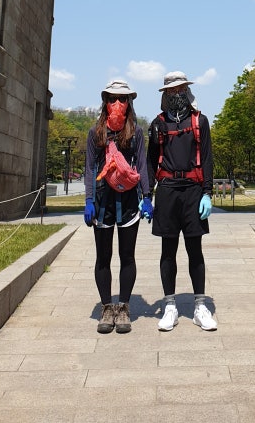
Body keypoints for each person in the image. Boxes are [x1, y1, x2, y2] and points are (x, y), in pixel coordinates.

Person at [147, 70, 217, 331]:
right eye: (171, 91)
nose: (177, 94)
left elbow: (208, 158)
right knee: (168, 250)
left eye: (180, 89)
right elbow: (150, 160)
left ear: (187, 91)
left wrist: (208, 193)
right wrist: (146, 195)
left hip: (193, 190)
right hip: (166, 190)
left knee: (194, 249)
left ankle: (200, 306)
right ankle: (170, 306)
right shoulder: (158, 124)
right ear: (165, 94)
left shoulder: (201, 121)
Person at [84, 79, 153, 334]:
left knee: (127, 255)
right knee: (103, 257)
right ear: (105, 101)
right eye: (112, 98)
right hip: (103, 202)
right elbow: (90, 167)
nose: (117, 103)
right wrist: (88, 201)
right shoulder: (96, 133)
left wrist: (147, 196)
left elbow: (142, 165)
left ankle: (123, 307)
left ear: (129, 102)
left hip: (128, 201)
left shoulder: (136, 133)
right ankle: (106, 306)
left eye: (122, 99)